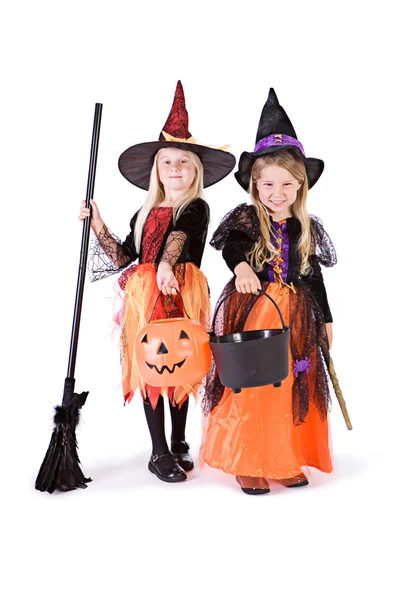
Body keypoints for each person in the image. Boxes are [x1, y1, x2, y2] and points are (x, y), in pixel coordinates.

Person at [79, 81, 235, 483]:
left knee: (182, 362)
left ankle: (180, 439)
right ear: (157, 169)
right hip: (147, 298)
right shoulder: (144, 212)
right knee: (153, 364)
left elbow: (181, 236)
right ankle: (158, 450)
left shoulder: (196, 206)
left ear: (195, 170)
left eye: (184, 162)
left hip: (180, 291)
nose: (175, 169)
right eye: (168, 162)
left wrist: (167, 264)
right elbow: (125, 257)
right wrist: (98, 227)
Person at [201, 88, 337, 495]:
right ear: (255, 186)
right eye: (267, 185)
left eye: (287, 185)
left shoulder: (303, 227)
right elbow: (232, 246)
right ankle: (249, 459)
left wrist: (326, 319)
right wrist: (243, 267)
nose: (277, 194)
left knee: (290, 386)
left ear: (300, 187)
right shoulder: (246, 218)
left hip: (296, 315)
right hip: (257, 310)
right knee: (255, 385)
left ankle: (283, 457)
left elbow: (313, 276)